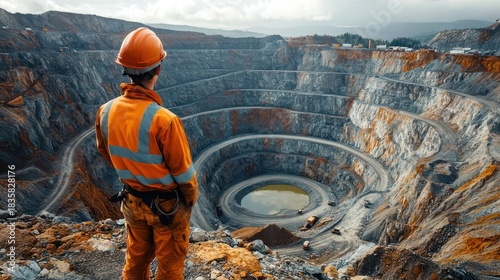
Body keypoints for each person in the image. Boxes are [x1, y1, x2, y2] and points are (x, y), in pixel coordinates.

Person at [95, 27, 198, 280]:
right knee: (170, 267)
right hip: (166, 207)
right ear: (158, 69)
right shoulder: (165, 120)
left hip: (131, 201)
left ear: (126, 70)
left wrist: (134, 174)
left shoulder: (105, 112)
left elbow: (105, 152)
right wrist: (189, 202)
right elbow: (185, 176)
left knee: (135, 261)